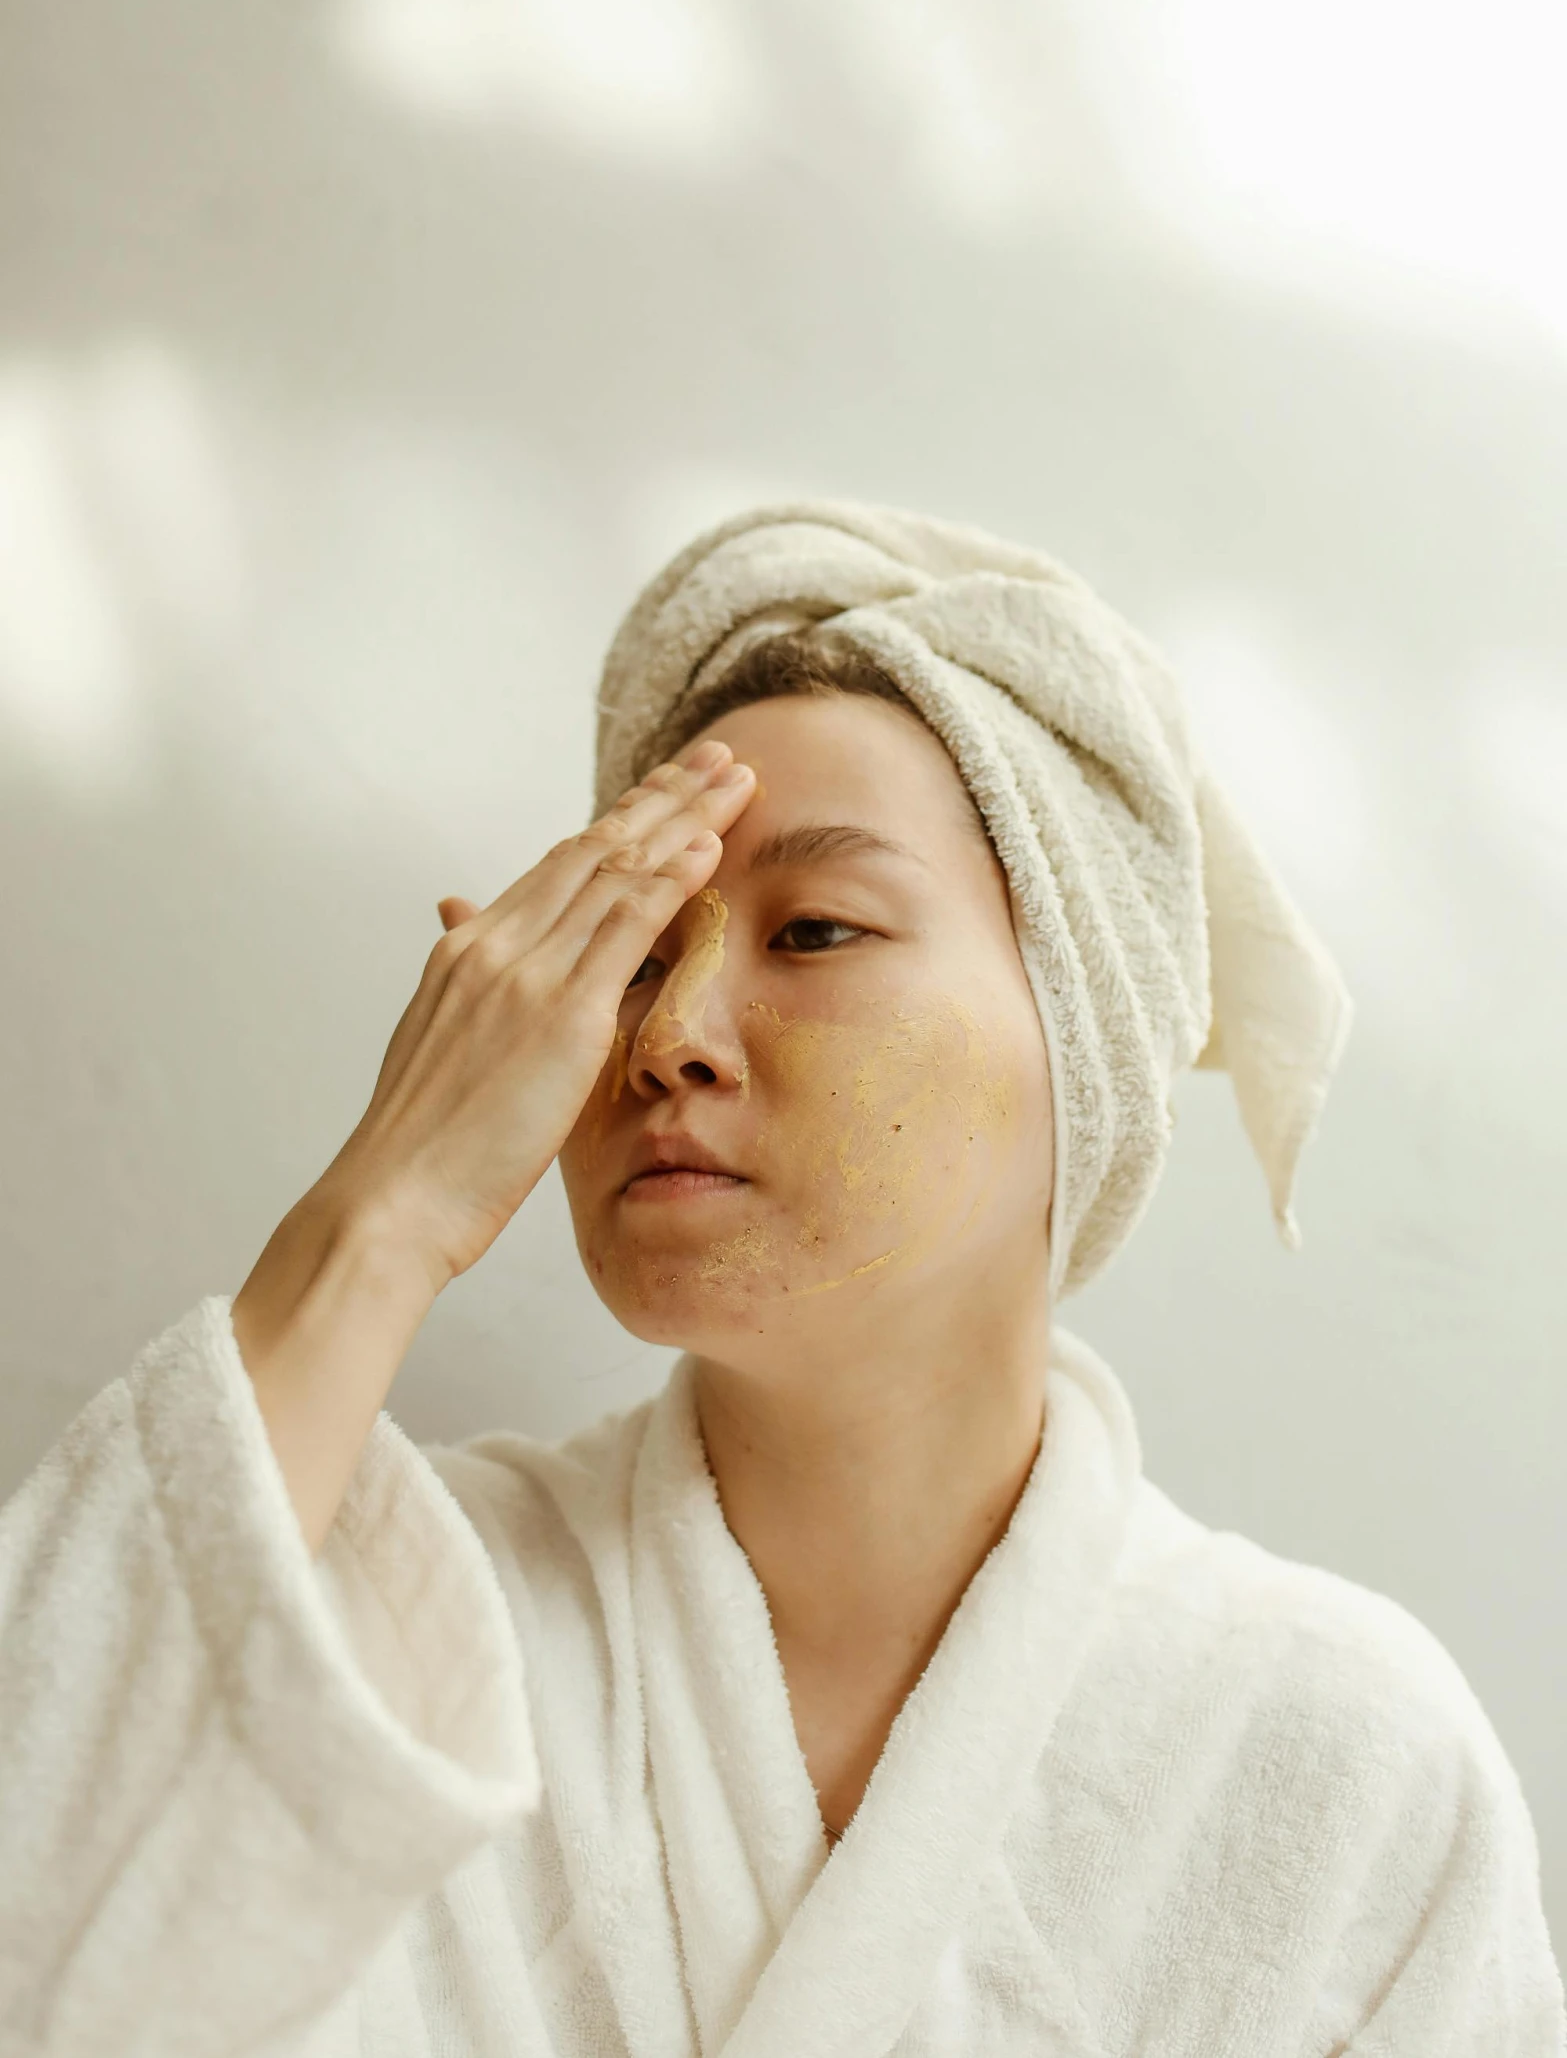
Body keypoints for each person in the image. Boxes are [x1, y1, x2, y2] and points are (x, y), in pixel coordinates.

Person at [1, 502, 1561, 2058]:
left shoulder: (1341, 1763)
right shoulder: (371, 1617)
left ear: (1078, 1037)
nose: (665, 1029)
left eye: (814, 928)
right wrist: (382, 1209)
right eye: (627, 951)